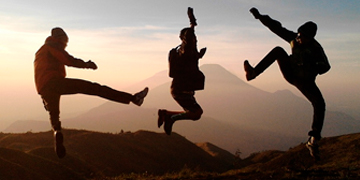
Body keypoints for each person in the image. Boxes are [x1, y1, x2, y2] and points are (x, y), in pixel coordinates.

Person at [34, 27, 149, 158]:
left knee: (54, 116)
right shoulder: (53, 45)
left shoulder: (40, 51)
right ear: (61, 39)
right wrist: (87, 64)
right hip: (54, 82)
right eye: (65, 42)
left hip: (43, 89)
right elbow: (68, 60)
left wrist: (44, 96)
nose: (65, 46)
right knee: (93, 88)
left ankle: (57, 134)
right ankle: (134, 98)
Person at [244, 8, 330, 160]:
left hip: (305, 81)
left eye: (303, 37)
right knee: (278, 50)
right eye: (299, 35)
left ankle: (313, 140)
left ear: (310, 38)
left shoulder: (316, 49)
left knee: (319, 104)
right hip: (291, 74)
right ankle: (253, 73)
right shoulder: (294, 38)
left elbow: (326, 66)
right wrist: (259, 17)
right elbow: (276, 27)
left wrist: (313, 66)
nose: (299, 38)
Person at [157, 7, 206, 135]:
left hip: (182, 90)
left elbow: (189, 61)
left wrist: (199, 56)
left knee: (195, 114)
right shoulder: (186, 50)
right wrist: (192, 22)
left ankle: (166, 114)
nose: (195, 40)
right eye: (194, 39)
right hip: (180, 90)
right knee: (196, 113)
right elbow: (189, 37)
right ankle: (170, 118)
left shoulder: (186, 53)